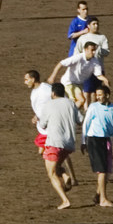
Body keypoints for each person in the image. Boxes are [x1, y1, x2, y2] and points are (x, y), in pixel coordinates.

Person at [36, 81, 79, 210]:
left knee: (52, 173)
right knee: (57, 165)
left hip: (54, 142)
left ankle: (65, 200)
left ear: (53, 93)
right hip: (69, 144)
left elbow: (43, 124)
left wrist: (38, 120)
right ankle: (66, 177)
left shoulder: (49, 104)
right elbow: (80, 120)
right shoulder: (71, 103)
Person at [81, 82, 113, 207]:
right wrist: (83, 141)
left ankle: (98, 194)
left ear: (107, 95)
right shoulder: (93, 107)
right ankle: (103, 200)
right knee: (102, 170)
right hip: (94, 140)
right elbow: (85, 124)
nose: (98, 97)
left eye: (100, 95)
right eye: (97, 95)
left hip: (106, 140)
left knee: (107, 170)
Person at [50, 40, 107, 109]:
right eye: (92, 50)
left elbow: (98, 75)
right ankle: (69, 114)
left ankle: (71, 114)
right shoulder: (78, 57)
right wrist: (52, 77)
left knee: (82, 100)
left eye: (95, 50)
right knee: (73, 101)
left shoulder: (95, 61)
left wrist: (105, 79)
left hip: (78, 84)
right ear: (86, 50)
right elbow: (61, 63)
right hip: (68, 82)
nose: (94, 52)